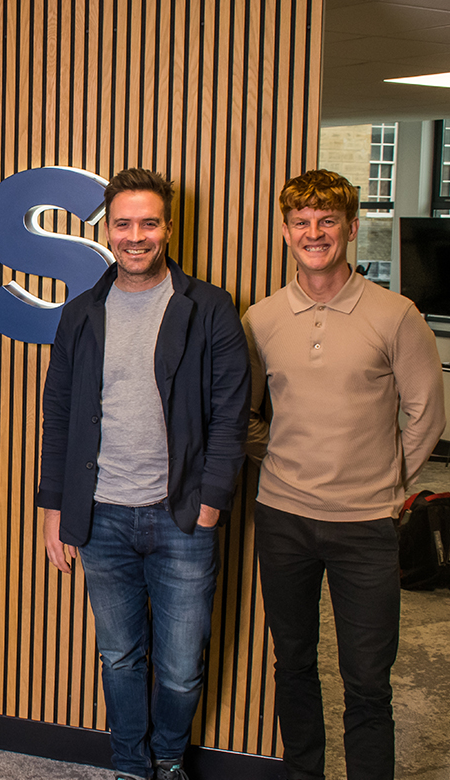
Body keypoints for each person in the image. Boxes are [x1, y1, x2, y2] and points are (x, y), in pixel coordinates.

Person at [36, 168, 250, 780]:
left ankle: (169, 759)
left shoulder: (209, 307)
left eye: (148, 223)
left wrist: (210, 503)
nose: (136, 236)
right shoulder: (82, 313)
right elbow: (59, 415)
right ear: (107, 230)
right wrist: (54, 510)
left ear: (168, 229)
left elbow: (231, 412)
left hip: (181, 515)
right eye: (124, 224)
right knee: (120, 657)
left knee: (180, 667)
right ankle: (132, 765)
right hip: (101, 515)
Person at [244, 169, 445, 780]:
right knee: (293, 665)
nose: (315, 233)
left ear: (352, 228)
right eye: (301, 222)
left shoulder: (396, 314)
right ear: (286, 232)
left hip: (366, 525)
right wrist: (280, 456)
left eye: (327, 220)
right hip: (282, 519)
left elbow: (426, 413)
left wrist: (389, 481)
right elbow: (244, 415)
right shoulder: (261, 318)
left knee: (367, 680)